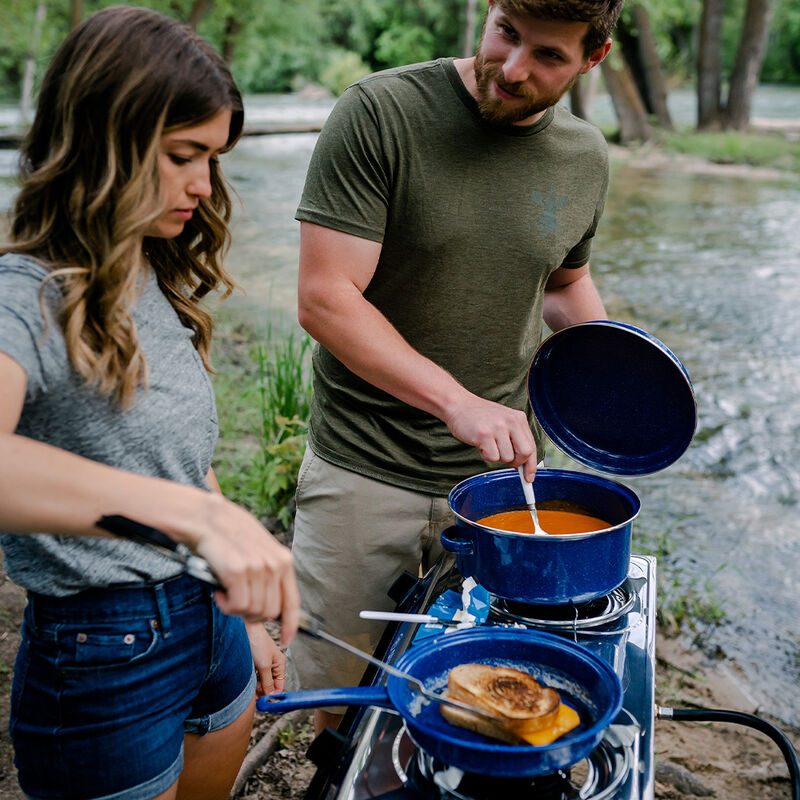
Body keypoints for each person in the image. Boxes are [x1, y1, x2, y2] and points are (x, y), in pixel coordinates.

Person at [288, 0, 623, 734]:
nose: (512, 68)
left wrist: (619, 373)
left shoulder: (584, 155)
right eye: (506, 32)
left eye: (547, 56)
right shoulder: (381, 113)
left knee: (480, 703)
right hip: (363, 474)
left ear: (592, 58)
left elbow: (564, 287)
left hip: (505, 487)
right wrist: (456, 402)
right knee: (346, 710)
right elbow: (325, 298)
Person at [0, 7, 300, 799]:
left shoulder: (149, 268)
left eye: (213, 158)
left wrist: (244, 617)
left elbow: (175, 463)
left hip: (211, 631)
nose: (205, 186)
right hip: (102, 659)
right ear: (105, 141)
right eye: (182, 156)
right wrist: (199, 520)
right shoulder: (22, 294)